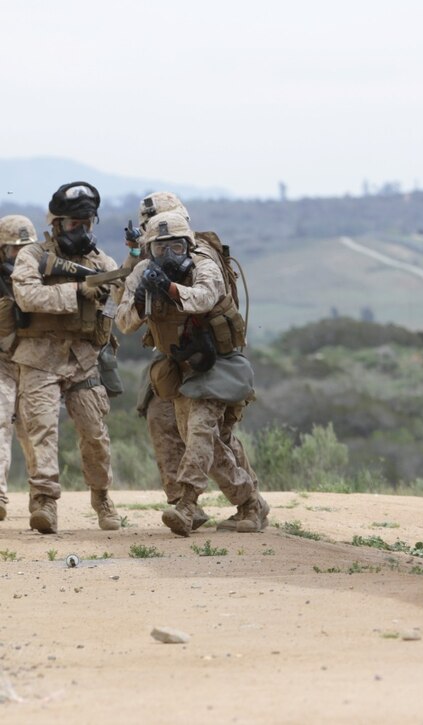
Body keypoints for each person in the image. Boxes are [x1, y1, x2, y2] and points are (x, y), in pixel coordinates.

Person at [116, 210, 267, 536]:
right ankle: (250, 502)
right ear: (150, 250)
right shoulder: (143, 271)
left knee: (200, 434)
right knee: (206, 447)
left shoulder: (205, 264)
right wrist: (142, 299)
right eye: (160, 249)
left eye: (177, 248)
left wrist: (170, 289)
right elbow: (124, 321)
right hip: (179, 368)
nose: (169, 256)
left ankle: (186, 504)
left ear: (188, 245)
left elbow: (204, 297)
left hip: (216, 366)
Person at [11, 182, 121, 534]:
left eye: (87, 223)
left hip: (84, 359)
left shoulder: (103, 262)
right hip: (39, 356)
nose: (83, 231)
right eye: (75, 224)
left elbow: (116, 306)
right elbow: (27, 296)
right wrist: (77, 291)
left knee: (94, 434)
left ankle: (102, 495)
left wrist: (105, 297)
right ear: (57, 224)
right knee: (41, 430)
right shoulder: (32, 256)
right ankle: (44, 500)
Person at [0, 215, 36, 521]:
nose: (19, 256)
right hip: (2, 362)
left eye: (25, 250)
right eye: (13, 250)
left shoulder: (42, 275)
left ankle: (41, 498)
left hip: (33, 362)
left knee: (34, 431)